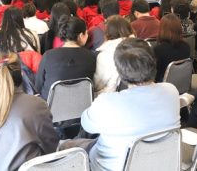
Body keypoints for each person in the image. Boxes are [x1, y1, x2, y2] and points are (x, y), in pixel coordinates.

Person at [75, 38, 180, 171]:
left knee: (67, 147)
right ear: (154, 62)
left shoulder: (107, 102)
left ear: (120, 71)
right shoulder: (171, 91)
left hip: (109, 167)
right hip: (162, 164)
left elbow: (87, 125)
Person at [36, 16, 96, 100]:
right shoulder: (91, 57)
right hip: (82, 106)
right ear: (81, 35)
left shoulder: (48, 56)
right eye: (86, 33)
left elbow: (38, 86)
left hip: (51, 107)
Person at [93, 15, 135, 95]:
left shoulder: (104, 55)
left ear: (107, 32)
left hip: (111, 97)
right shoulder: (143, 47)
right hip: (138, 95)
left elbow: (97, 85)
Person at [153, 14, 190, 82]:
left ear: (162, 29)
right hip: (183, 81)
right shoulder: (186, 46)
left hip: (164, 84)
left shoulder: (158, 49)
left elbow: (156, 73)